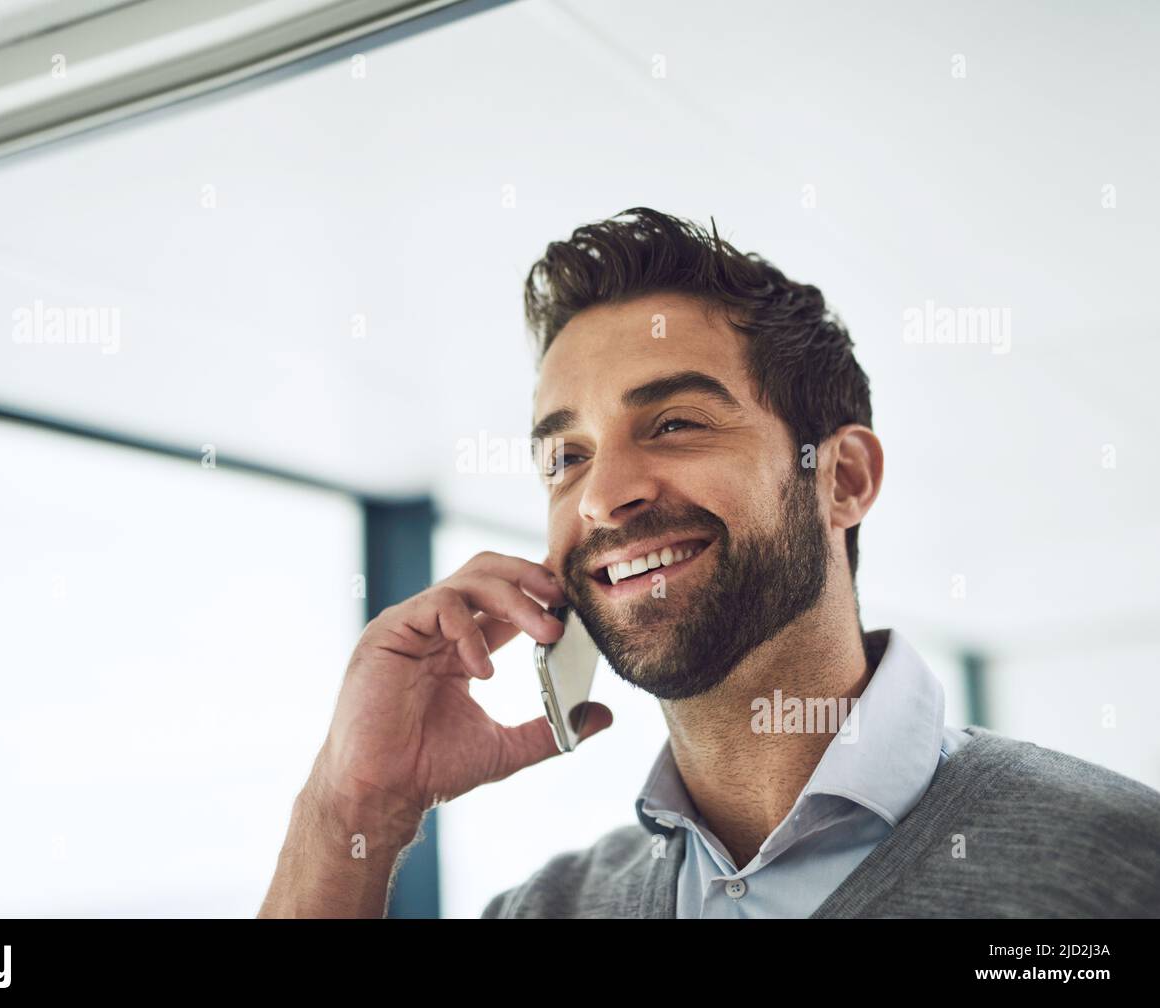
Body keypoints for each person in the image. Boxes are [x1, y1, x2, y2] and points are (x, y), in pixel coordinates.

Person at [258, 207, 1160, 918]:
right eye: (565, 458)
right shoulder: (545, 911)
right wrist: (352, 807)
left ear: (840, 477)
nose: (602, 496)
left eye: (676, 423)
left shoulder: (1117, 870)